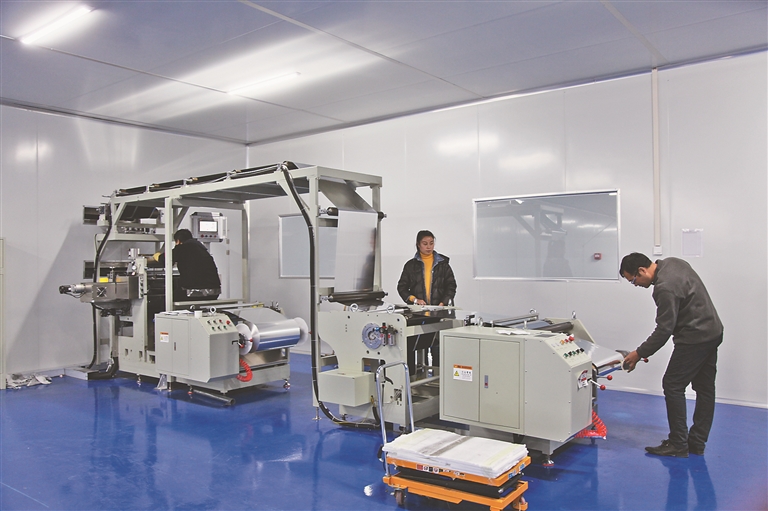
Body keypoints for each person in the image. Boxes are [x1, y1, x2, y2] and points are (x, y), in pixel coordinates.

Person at [620, 252, 723, 458]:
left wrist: (639, 353)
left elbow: (664, 329)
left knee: (672, 385)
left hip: (694, 338)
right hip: (712, 331)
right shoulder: (673, 263)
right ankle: (697, 442)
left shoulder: (664, 288)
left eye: (633, 280)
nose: (635, 285)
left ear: (642, 270)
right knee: (704, 389)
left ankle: (678, 444)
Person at [154, 228, 221, 302]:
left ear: (178, 241)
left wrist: (157, 255)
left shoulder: (182, 247)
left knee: (164, 300)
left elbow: (164, 260)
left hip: (194, 293)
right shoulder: (202, 249)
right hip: (214, 293)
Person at [397, 230, 456, 307]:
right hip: (418, 310)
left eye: (431, 243)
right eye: (425, 244)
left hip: (441, 309)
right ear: (418, 244)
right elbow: (402, 287)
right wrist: (415, 300)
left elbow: (451, 286)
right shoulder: (410, 266)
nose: (429, 247)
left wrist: (443, 303)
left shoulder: (443, 264)